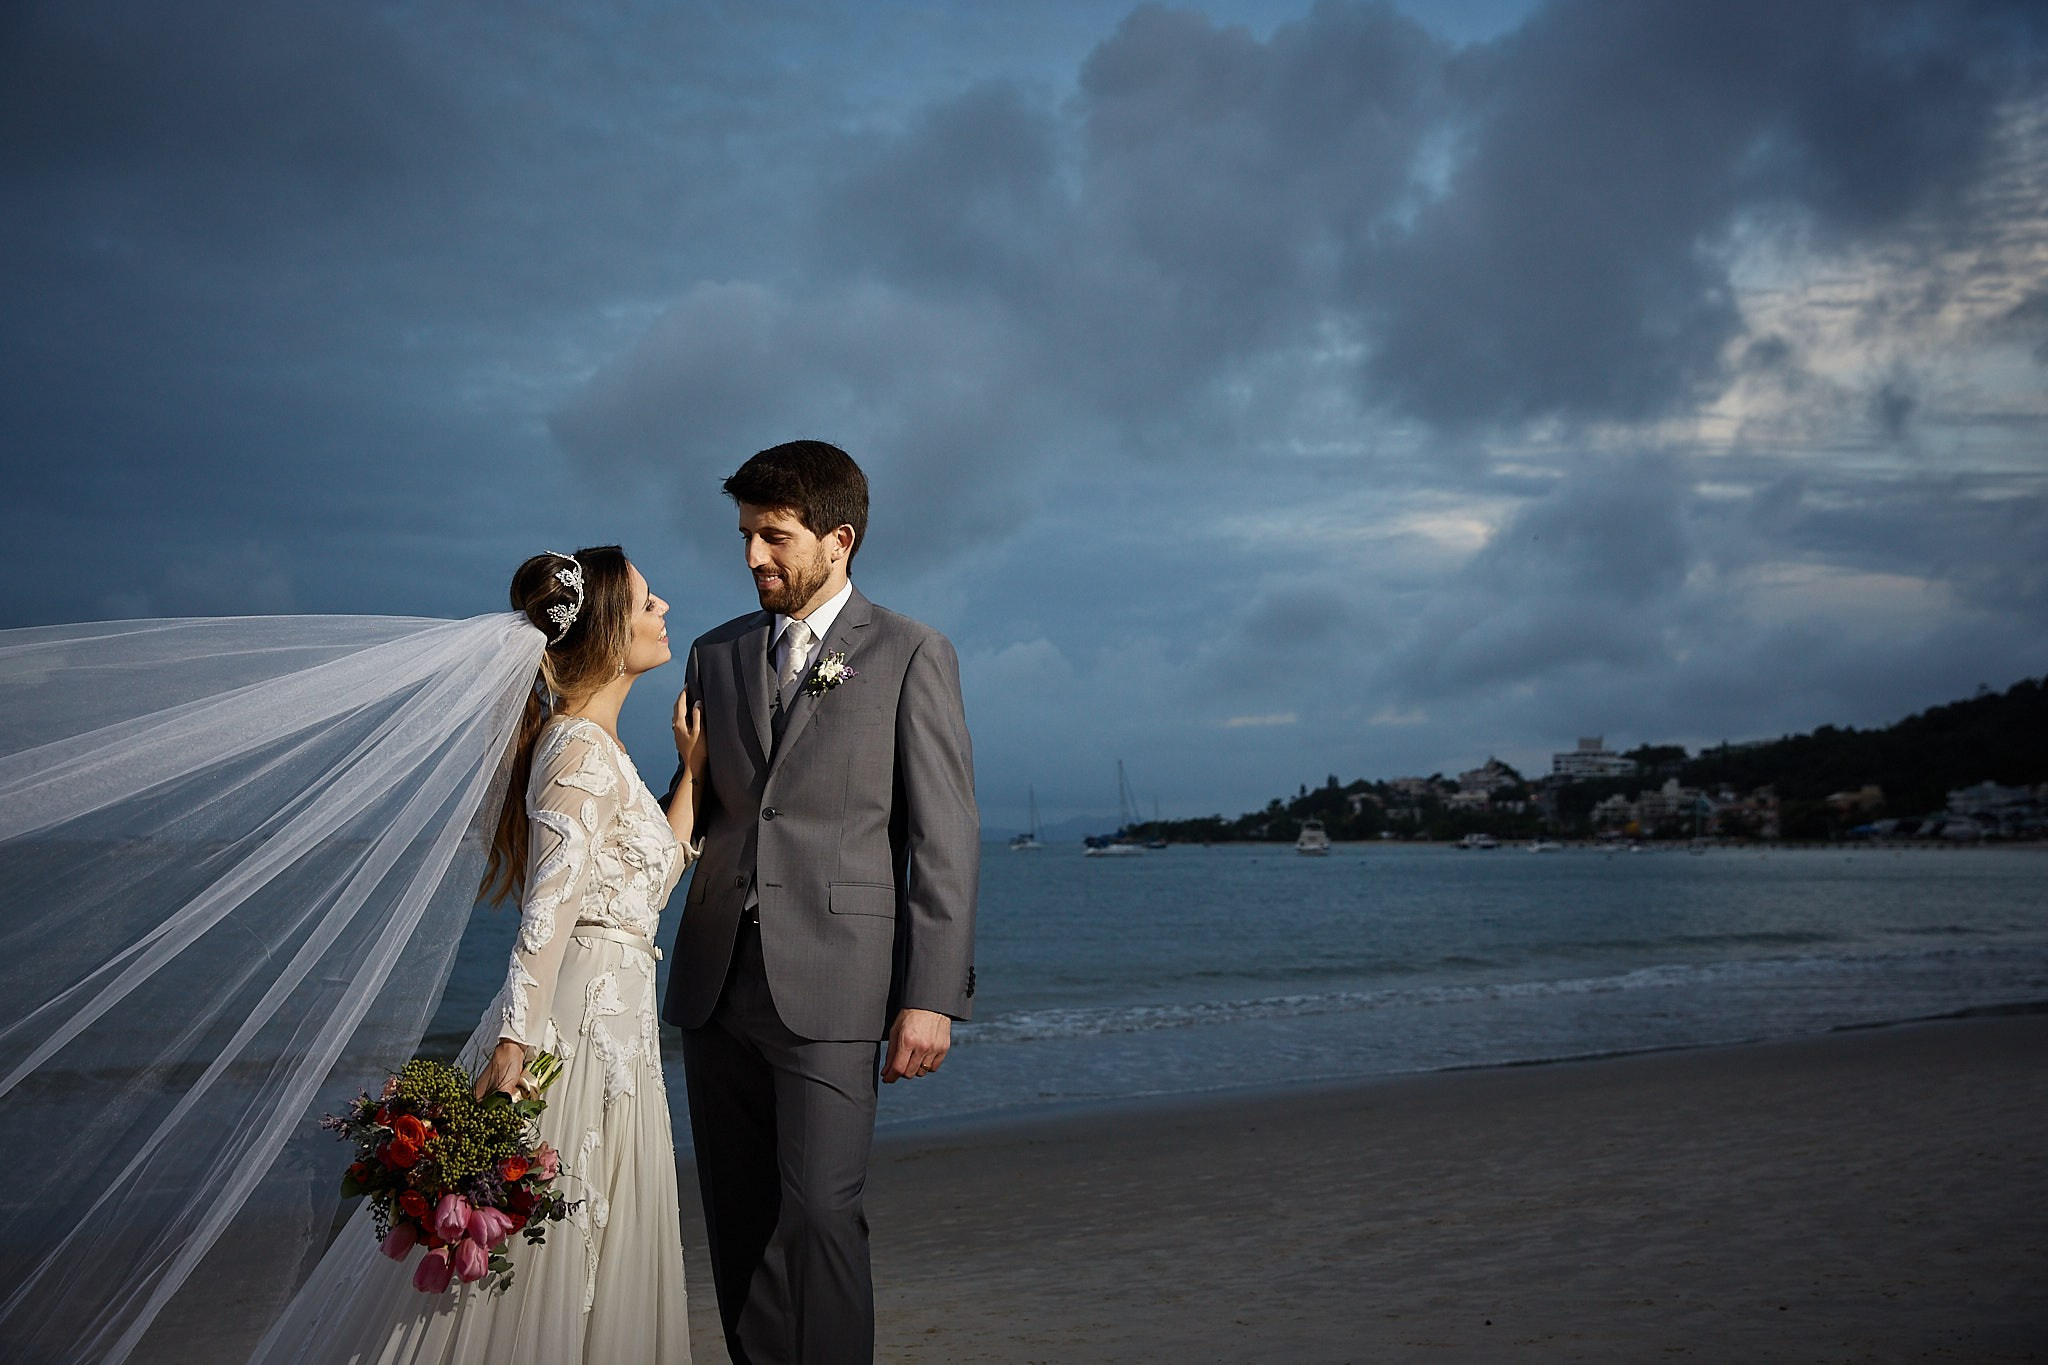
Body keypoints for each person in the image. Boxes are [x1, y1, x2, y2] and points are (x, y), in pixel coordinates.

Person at [247, 546, 703, 1364]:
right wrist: (516, 1042)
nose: (662, 606)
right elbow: (547, 914)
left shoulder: (606, 753)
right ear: (604, 626)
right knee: (544, 1253)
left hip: (622, 1027)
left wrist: (691, 774)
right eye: (643, 599)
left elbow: (647, 886)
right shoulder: (575, 751)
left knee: (597, 1240)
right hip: (576, 1028)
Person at [663, 441, 978, 1365]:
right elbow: (690, 814)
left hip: (837, 986)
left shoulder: (914, 651)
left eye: (775, 536)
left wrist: (931, 994)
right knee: (740, 1220)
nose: (754, 556)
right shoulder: (714, 654)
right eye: (745, 537)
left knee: (821, 1213)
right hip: (715, 986)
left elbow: (944, 836)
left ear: (837, 539)